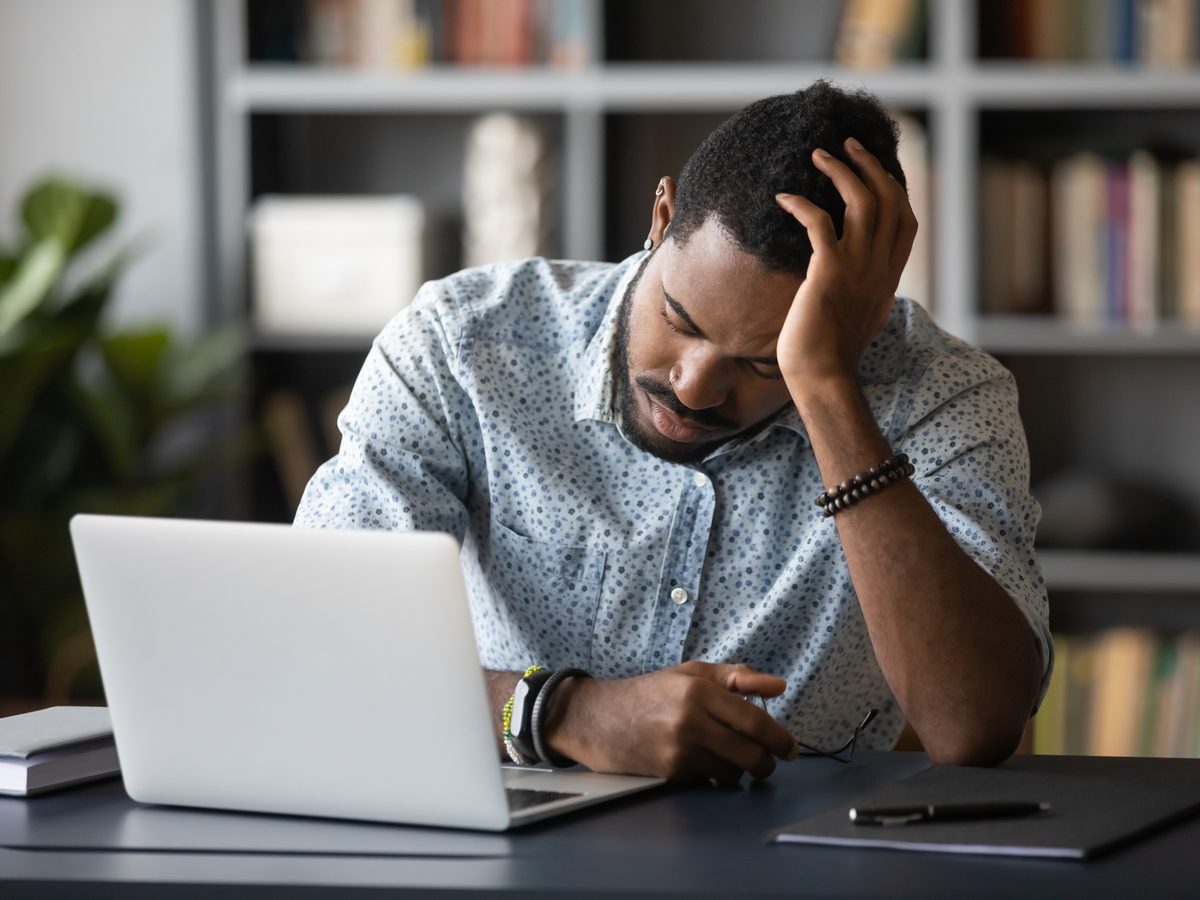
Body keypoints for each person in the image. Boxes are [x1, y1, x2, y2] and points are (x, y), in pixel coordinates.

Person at [296, 80, 1051, 783]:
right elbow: (318, 642)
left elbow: (971, 726)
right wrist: (561, 713)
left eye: (762, 364)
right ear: (661, 218)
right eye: (680, 319)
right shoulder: (463, 345)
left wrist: (826, 385)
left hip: (804, 860)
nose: (694, 385)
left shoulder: (947, 396)